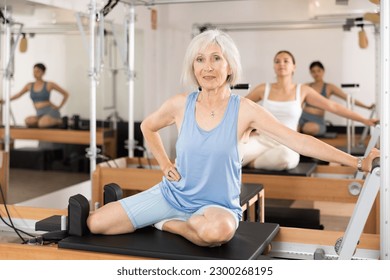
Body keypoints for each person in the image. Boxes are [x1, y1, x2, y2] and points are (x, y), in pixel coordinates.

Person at [84, 30, 379, 247]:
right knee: (96, 224)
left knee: (218, 233)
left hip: (217, 205)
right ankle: (170, 219)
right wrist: (163, 163)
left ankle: (170, 225)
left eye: (215, 59)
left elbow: (298, 141)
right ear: (193, 67)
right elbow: (147, 127)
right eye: (200, 60)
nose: (207, 67)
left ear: (229, 67)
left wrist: (357, 161)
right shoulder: (179, 104)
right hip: (171, 194)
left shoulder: (245, 110)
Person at [242, 51, 377, 170]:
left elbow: (333, 106)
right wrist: (246, 131)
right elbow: (239, 107)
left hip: (288, 142)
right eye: (277, 61)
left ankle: (253, 164)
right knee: (233, 154)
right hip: (262, 139)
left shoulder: (302, 90)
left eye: (286, 61)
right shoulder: (263, 89)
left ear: (294, 67)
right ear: (274, 67)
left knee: (288, 158)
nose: (281, 64)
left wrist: (364, 120)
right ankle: (250, 159)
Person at [299, 60, 375, 136]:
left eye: (318, 71)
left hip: (317, 120)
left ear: (323, 71)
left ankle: (301, 131)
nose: (316, 73)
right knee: (293, 128)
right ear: (310, 73)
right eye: (313, 71)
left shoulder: (329, 87)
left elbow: (347, 98)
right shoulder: (306, 86)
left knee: (308, 128)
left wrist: (367, 107)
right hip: (302, 116)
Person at [0, 63, 69, 128]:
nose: (35, 73)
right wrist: (5, 100)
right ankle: (43, 121)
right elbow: (18, 95)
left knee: (42, 123)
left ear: (43, 73)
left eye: (38, 71)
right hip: (39, 114)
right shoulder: (29, 85)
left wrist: (60, 106)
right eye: (34, 71)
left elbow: (66, 94)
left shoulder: (49, 84)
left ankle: (60, 121)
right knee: (28, 121)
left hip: (50, 111)